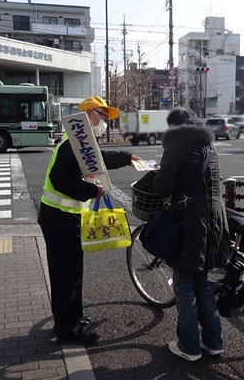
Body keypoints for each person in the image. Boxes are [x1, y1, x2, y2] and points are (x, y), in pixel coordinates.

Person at [37, 96, 140, 345]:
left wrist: (127, 157)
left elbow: (99, 161)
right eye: (102, 116)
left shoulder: (78, 142)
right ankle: (69, 329)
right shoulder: (73, 144)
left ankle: (68, 318)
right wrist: (92, 192)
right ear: (86, 115)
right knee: (68, 276)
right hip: (61, 218)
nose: (105, 122)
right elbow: (61, 179)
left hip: (61, 217)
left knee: (66, 274)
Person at [153, 108, 230, 361]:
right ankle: (214, 342)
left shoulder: (176, 147)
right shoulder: (211, 149)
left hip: (190, 223)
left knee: (184, 283)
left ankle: (188, 346)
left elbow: (164, 187)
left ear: (176, 126)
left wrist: (159, 173)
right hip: (215, 220)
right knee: (202, 282)